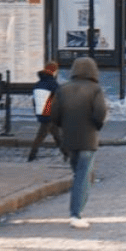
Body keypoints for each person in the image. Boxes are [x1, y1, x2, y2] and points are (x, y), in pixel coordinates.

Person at [49, 57, 108, 229]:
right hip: (88, 139)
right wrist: (96, 127)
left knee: (77, 174)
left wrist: (63, 126)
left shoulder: (63, 89)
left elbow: (53, 114)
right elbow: (100, 112)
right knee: (83, 177)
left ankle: (76, 209)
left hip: (69, 139)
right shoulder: (95, 89)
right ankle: (76, 213)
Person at [27, 62, 64, 162]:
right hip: (49, 113)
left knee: (57, 134)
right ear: (54, 71)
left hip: (41, 111)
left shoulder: (39, 83)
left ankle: (66, 154)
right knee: (41, 135)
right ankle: (31, 155)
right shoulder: (52, 83)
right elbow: (59, 98)